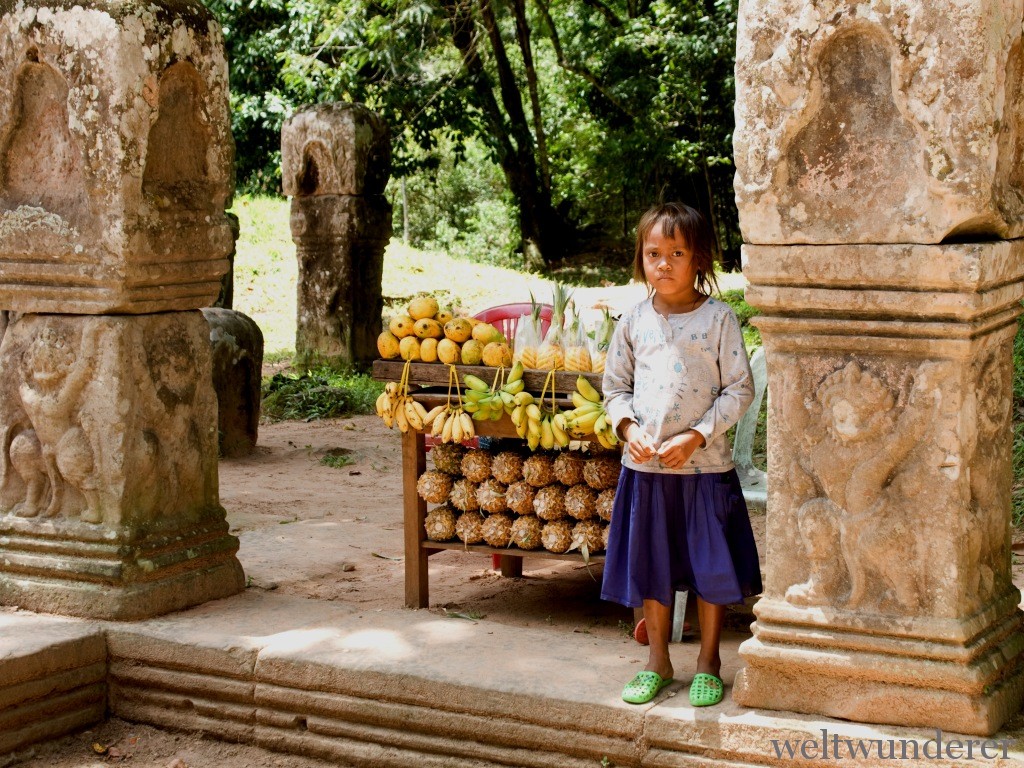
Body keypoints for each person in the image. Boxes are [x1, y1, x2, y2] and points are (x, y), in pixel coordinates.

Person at [600, 202, 762, 707]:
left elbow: (739, 389)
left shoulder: (719, 320)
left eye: (677, 253)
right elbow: (613, 390)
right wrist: (628, 429)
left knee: (711, 569)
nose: (664, 263)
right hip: (646, 473)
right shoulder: (632, 321)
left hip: (706, 472)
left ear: (699, 260)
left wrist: (696, 435)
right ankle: (658, 662)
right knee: (654, 567)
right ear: (640, 259)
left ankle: (709, 662)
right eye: (654, 253)